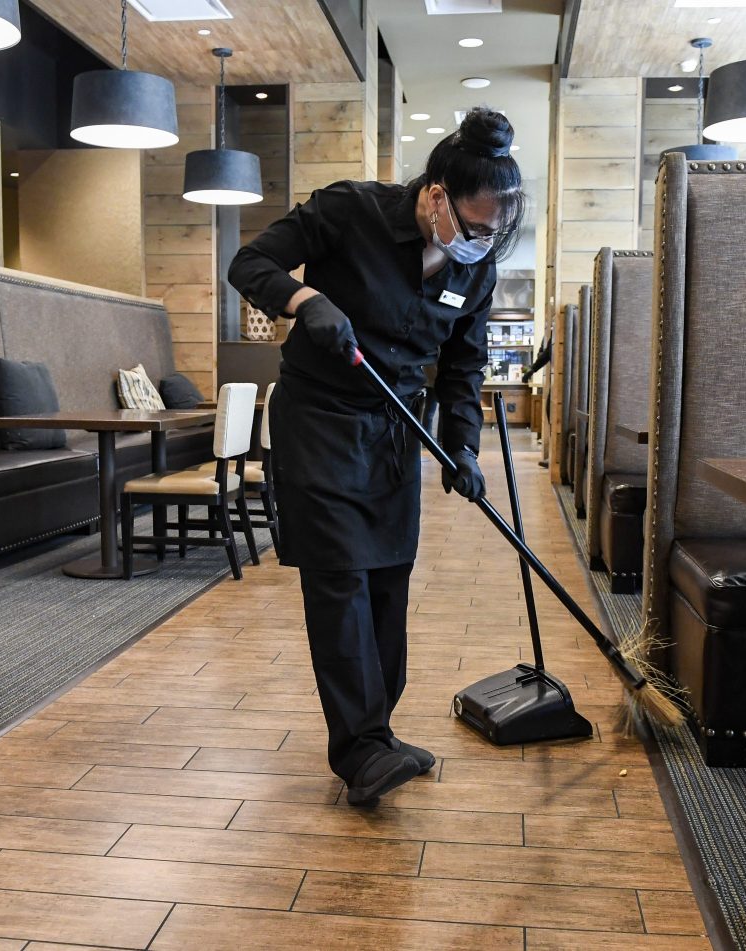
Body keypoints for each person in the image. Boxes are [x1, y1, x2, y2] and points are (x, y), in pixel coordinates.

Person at [228, 107, 526, 806]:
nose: (481, 244)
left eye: (494, 234)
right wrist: (305, 300)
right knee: (341, 579)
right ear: (436, 196)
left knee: (389, 580)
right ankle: (358, 749)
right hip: (320, 421)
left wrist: (462, 446)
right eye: (474, 228)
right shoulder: (348, 210)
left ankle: (378, 732)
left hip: (395, 431)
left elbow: (463, 366)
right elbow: (249, 263)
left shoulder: (474, 272)